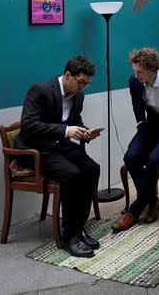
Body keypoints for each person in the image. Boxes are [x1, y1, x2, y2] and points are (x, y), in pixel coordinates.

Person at [16, 55, 102, 257]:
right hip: (36, 149)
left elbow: (74, 121)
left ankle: (79, 227)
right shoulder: (40, 90)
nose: (82, 87)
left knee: (92, 169)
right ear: (67, 75)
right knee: (71, 174)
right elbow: (28, 126)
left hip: (58, 146)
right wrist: (65, 131)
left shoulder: (78, 95)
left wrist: (86, 132)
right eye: (80, 82)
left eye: (86, 84)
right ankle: (69, 236)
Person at [111, 48, 159, 231]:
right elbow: (136, 105)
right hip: (150, 126)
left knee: (154, 160)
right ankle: (152, 200)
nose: (135, 75)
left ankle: (135, 211)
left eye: (139, 71)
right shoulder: (134, 82)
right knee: (130, 157)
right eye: (134, 70)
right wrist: (140, 124)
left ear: (152, 69)